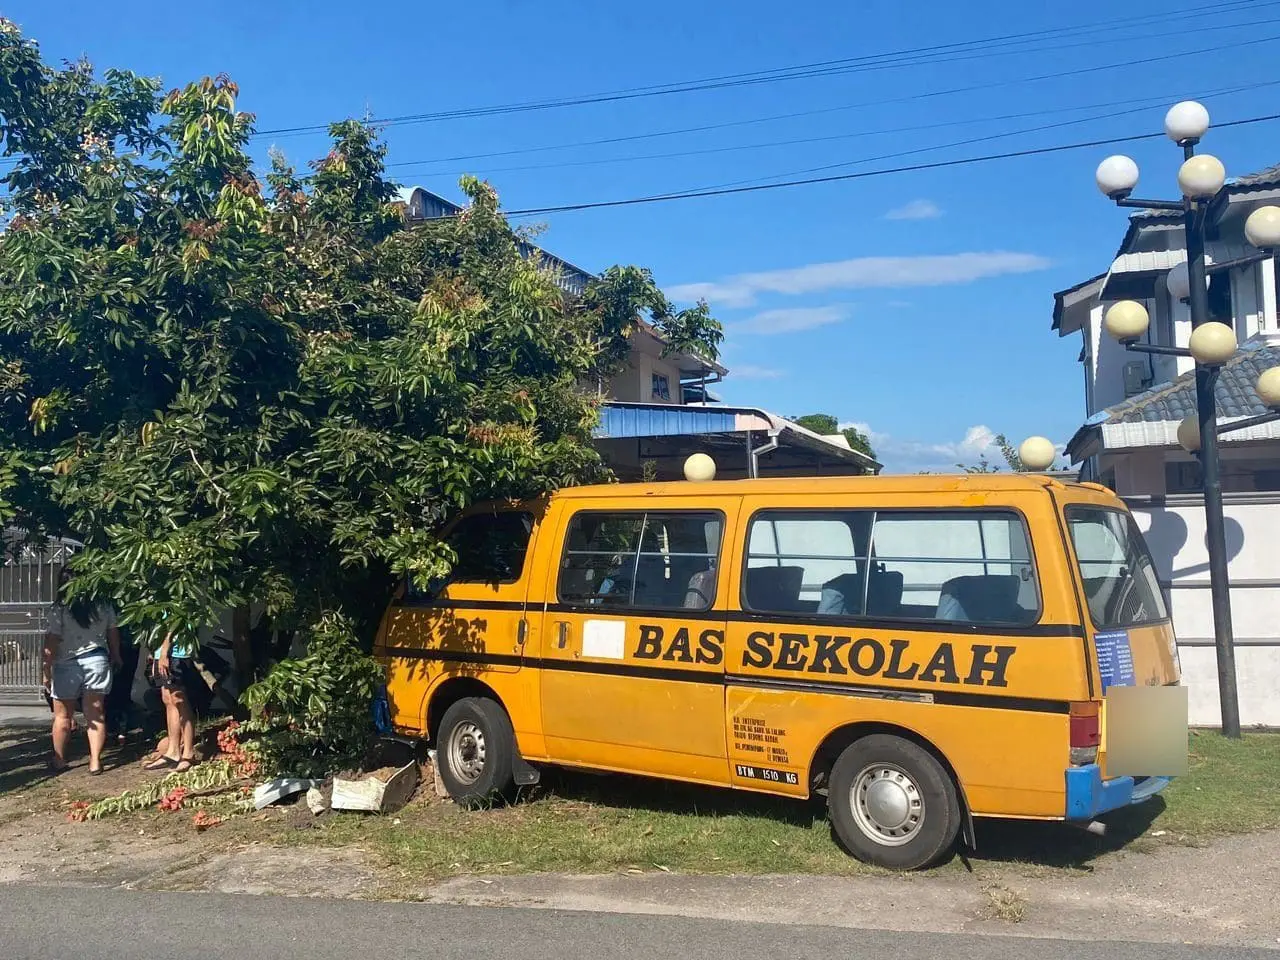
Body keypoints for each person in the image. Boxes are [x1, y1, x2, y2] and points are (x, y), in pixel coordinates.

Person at [41, 570, 122, 775]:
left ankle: (59, 759)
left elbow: (52, 639)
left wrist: (46, 668)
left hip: (66, 665)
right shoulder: (102, 605)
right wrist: (116, 655)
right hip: (97, 661)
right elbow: (113, 631)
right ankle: (95, 761)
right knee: (96, 713)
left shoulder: (59, 609)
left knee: (62, 716)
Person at [143, 630, 198, 772]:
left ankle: (188, 752)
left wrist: (164, 652)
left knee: (179, 699)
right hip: (161, 652)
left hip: (177, 652)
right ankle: (173, 751)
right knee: (167, 699)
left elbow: (173, 624)